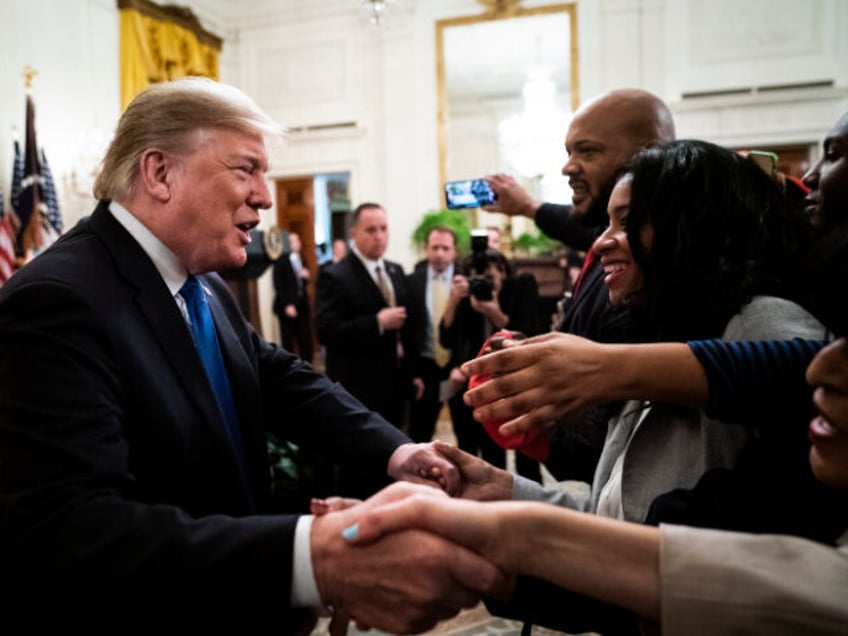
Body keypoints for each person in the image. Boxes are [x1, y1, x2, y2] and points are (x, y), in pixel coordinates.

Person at [0, 77, 508, 635]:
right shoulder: (54, 302)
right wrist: (313, 559)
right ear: (159, 172)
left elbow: (276, 375)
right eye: (246, 170)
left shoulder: (203, 282)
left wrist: (396, 451)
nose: (265, 196)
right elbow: (74, 533)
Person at [345, 313, 848, 634]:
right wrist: (504, 492)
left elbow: (711, 574)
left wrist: (478, 541)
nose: (821, 368)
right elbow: (644, 528)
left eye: (629, 221)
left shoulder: (763, 327)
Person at [441, 247, 544, 482]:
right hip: (476, 384)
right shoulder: (469, 298)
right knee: (481, 452)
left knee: (527, 455)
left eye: (490, 278)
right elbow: (446, 339)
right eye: (479, 280)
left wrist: (493, 311)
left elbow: (525, 335)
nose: (484, 285)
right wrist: (453, 301)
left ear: (503, 272)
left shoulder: (520, 288)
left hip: (518, 381)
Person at [315, 202, 414, 432]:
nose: (379, 236)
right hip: (358, 387)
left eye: (384, 228)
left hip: (396, 384)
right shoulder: (335, 275)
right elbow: (327, 331)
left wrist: (411, 376)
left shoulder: (396, 270)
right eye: (371, 230)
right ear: (354, 233)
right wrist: (377, 323)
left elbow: (408, 330)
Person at [406, 225, 460, 444]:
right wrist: (412, 373)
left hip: (459, 369)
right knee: (419, 434)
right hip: (425, 368)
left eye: (445, 248)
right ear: (426, 249)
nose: (439, 253)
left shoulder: (466, 281)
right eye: (435, 247)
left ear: (454, 251)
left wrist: (462, 365)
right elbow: (408, 332)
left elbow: (472, 331)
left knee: (467, 436)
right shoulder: (411, 282)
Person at [272, 230, 314, 363]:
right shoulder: (280, 260)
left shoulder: (301, 258)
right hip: (287, 307)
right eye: (291, 241)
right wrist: (287, 305)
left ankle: (308, 369)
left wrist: (306, 276)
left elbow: (301, 282)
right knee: (289, 342)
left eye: (296, 241)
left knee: (305, 340)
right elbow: (278, 284)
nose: (294, 244)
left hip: (302, 305)